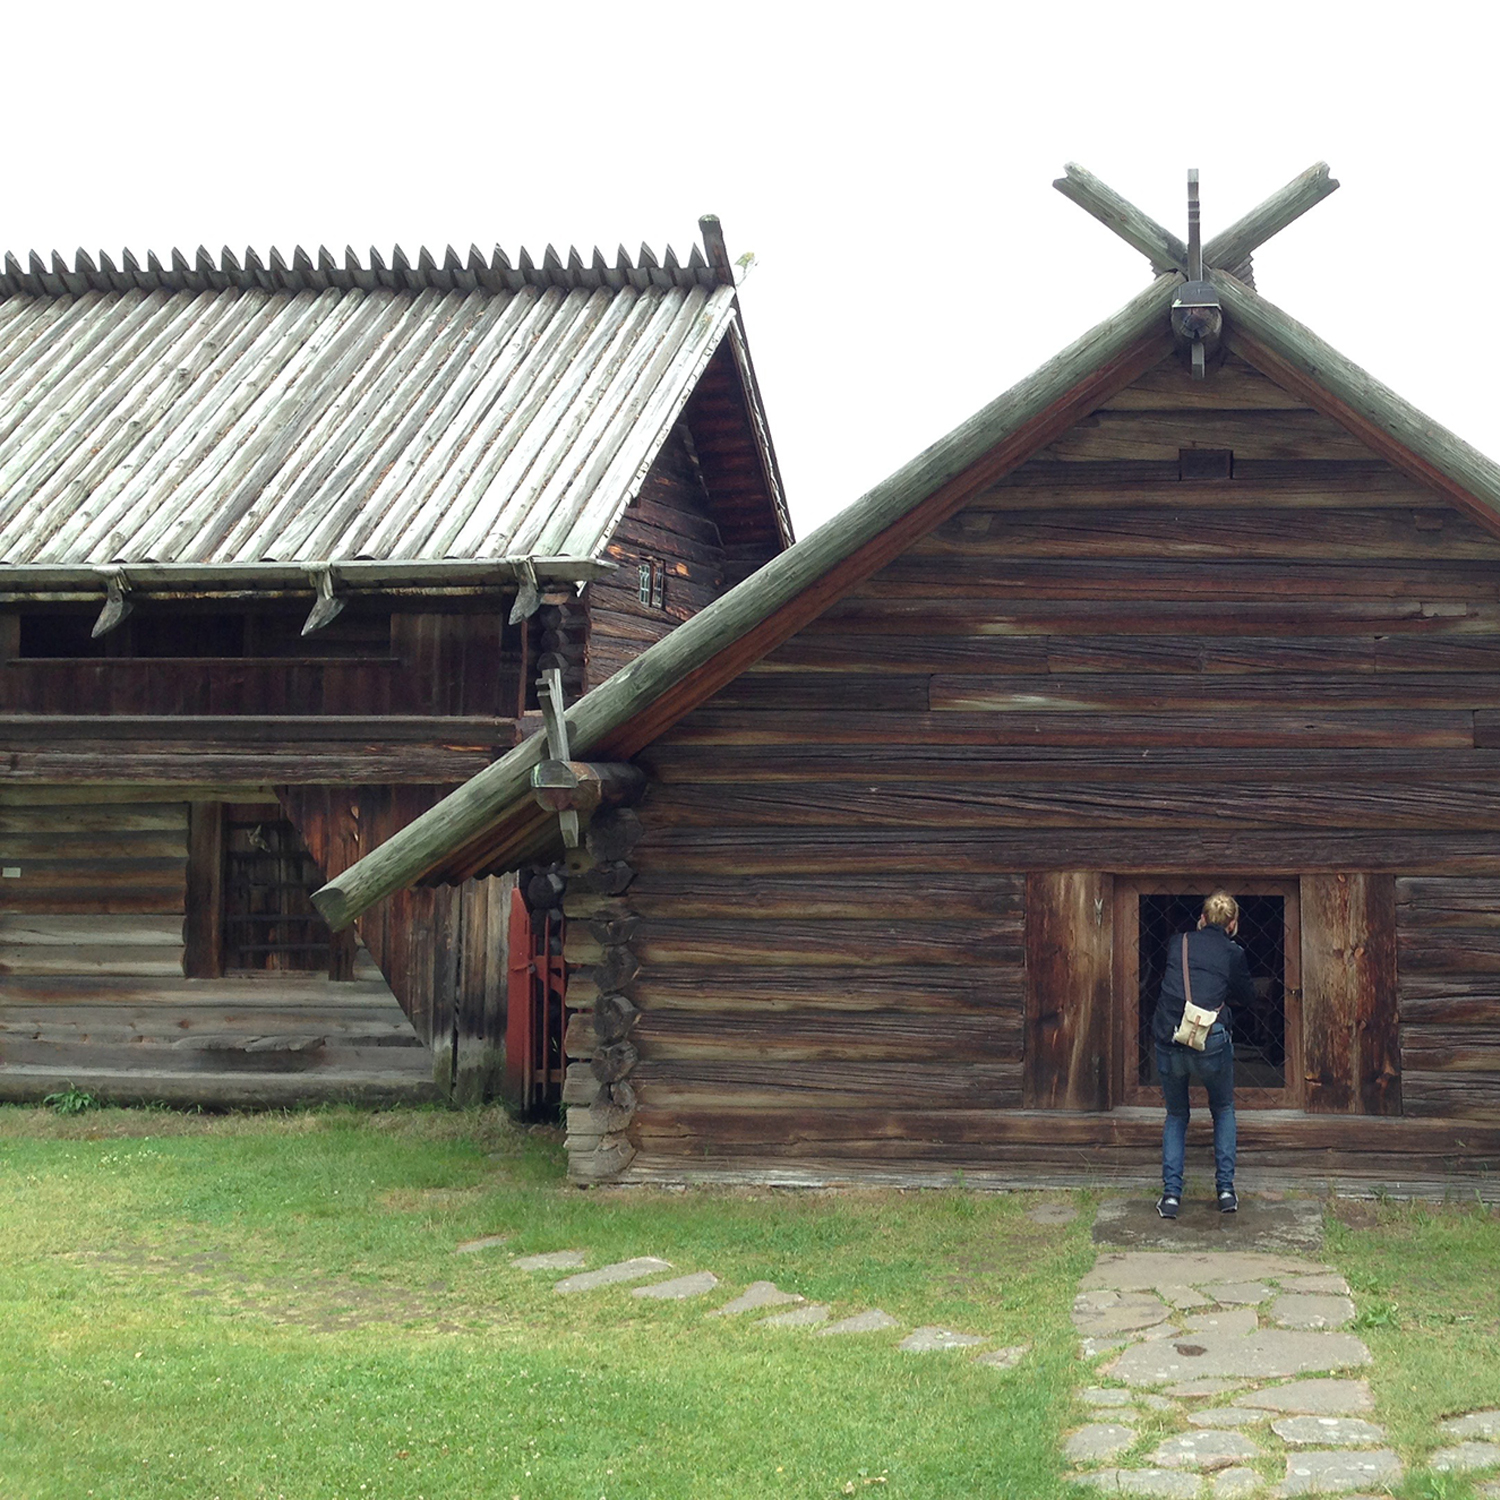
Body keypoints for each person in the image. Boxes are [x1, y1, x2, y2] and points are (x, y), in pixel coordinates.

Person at [1151, 889, 1254, 1218]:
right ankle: (1225, 1191)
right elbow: (1246, 995)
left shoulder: (1177, 943)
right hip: (1210, 1038)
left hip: (1171, 1036)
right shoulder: (1233, 953)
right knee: (1222, 1108)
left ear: (1203, 918)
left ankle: (1171, 1197)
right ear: (1233, 924)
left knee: (1177, 1115)